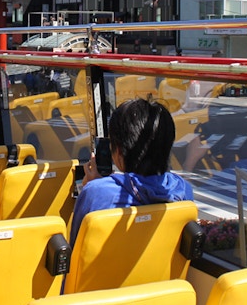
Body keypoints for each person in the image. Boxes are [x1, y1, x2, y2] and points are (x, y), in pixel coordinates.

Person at [69, 98, 194, 246]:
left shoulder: (95, 192)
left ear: (119, 152)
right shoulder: (183, 189)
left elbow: (76, 246)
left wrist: (91, 188)